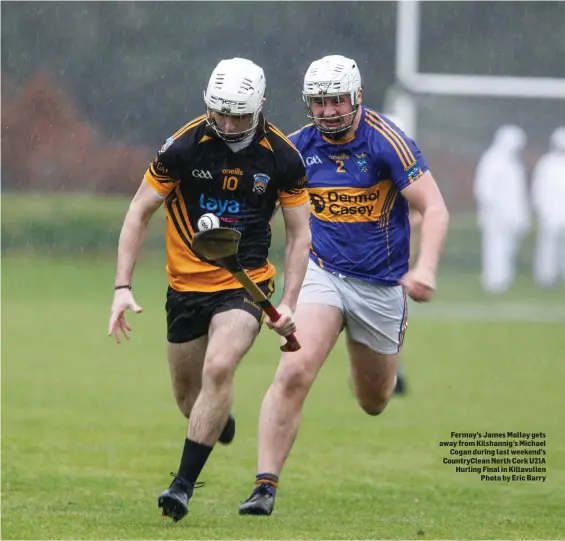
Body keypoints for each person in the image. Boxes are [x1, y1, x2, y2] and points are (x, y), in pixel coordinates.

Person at [239, 54, 449, 516]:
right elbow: (263, 210)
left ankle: (379, 362)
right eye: (319, 103)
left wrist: (426, 268)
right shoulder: (293, 150)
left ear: (356, 97)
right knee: (293, 372)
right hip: (324, 272)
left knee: (373, 400)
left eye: (337, 101)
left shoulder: (387, 142)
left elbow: (434, 208)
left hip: (380, 284)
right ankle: (264, 485)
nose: (329, 111)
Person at [107, 57, 311, 522]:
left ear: (259, 106)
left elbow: (300, 234)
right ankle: (215, 417)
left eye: (239, 114)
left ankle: (181, 487)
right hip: (185, 289)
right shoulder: (184, 146)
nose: (229, 123)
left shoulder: (282, 156)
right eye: (221, 112)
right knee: (189, 397)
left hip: (246, 286)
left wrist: (290, 302)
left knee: (220, 367)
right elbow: (138, 212)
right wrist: (122, 286)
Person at [473, 125, 531, 293]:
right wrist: (495, 210)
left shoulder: (513, 163)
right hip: (495, 216)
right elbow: (484, 189)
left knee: (507, 249)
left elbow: (517, 193)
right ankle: (493, 280)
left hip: (510, 216)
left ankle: (504, 278)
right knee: (495, 247)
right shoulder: (492, 160)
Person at [531, 126, 565, 287]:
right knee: (547, 248)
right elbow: (538, 190)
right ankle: (546, 278)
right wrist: (542, 209)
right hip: (550, 214)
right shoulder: (546, 164)